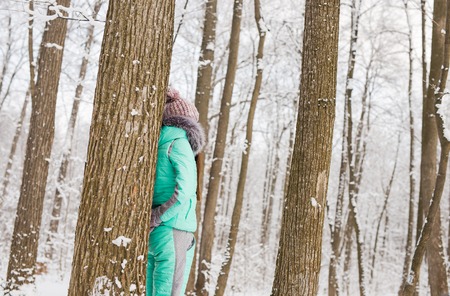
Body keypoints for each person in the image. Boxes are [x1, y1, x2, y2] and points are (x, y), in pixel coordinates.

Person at [146, 87, 205, 296]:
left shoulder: (157, 144)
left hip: (155, 233)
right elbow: (185, 190)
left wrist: (154, 218)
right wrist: (160, 215)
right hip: (174, 227)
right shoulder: (180, 144)